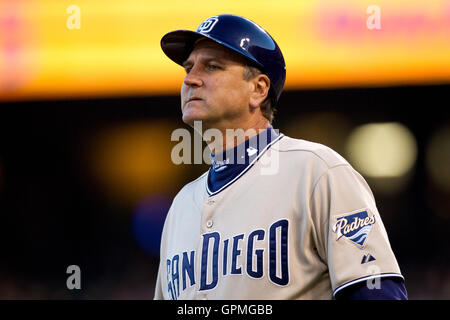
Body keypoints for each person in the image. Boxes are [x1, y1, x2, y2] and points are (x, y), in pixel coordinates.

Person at [154, 14, 407, 300]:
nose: (190, 79)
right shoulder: (180, 206)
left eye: (212, 66)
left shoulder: (318, 171)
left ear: (258, 89)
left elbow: (377, 293)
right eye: (188, 68)